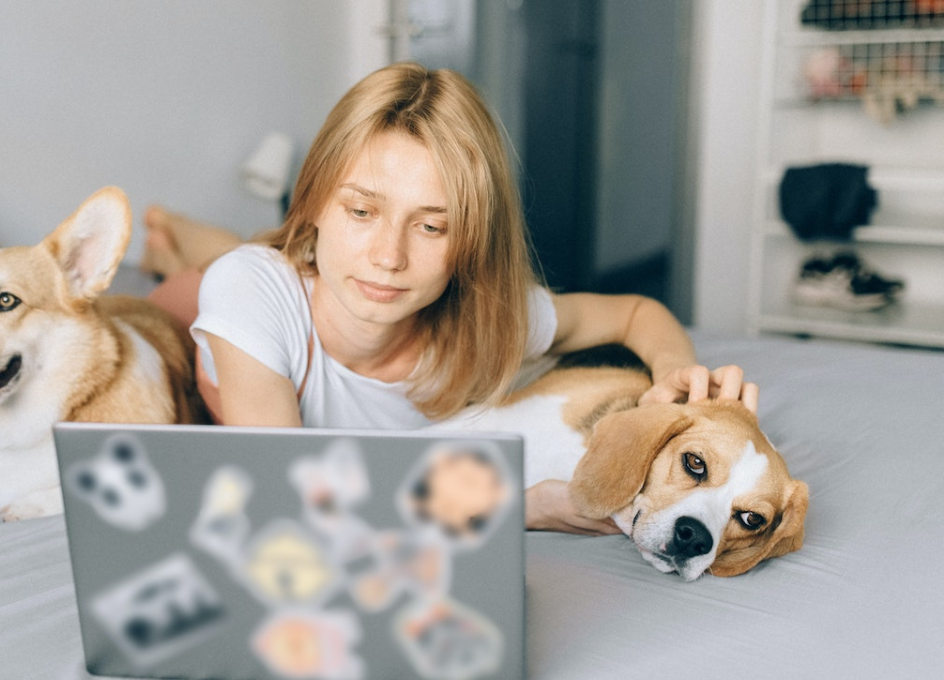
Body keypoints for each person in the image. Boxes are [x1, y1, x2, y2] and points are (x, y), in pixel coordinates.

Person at [141, 62, 758, 535]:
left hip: (302, 275)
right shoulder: (250, 289)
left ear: (470, 243)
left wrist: (677, 376)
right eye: (360, 210)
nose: (390, 255)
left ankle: (188, 237)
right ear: (314, 203)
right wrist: (524, 506)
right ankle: (173, 239)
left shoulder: (489, 322)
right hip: (217, 328)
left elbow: (635, 313)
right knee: (224, 262)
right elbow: (287, 502)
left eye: (431, 226)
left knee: (274, 256)